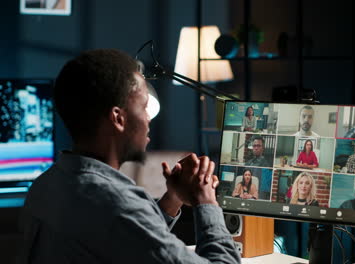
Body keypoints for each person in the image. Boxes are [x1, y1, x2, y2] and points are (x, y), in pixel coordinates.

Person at [18, 49, 241, 264]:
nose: (148, 119)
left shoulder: (44, 186)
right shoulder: (118, 205)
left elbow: (126, 240)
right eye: (144, 107)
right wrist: (207, 201)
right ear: (118, 118)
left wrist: (172, 199)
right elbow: (122, 220)